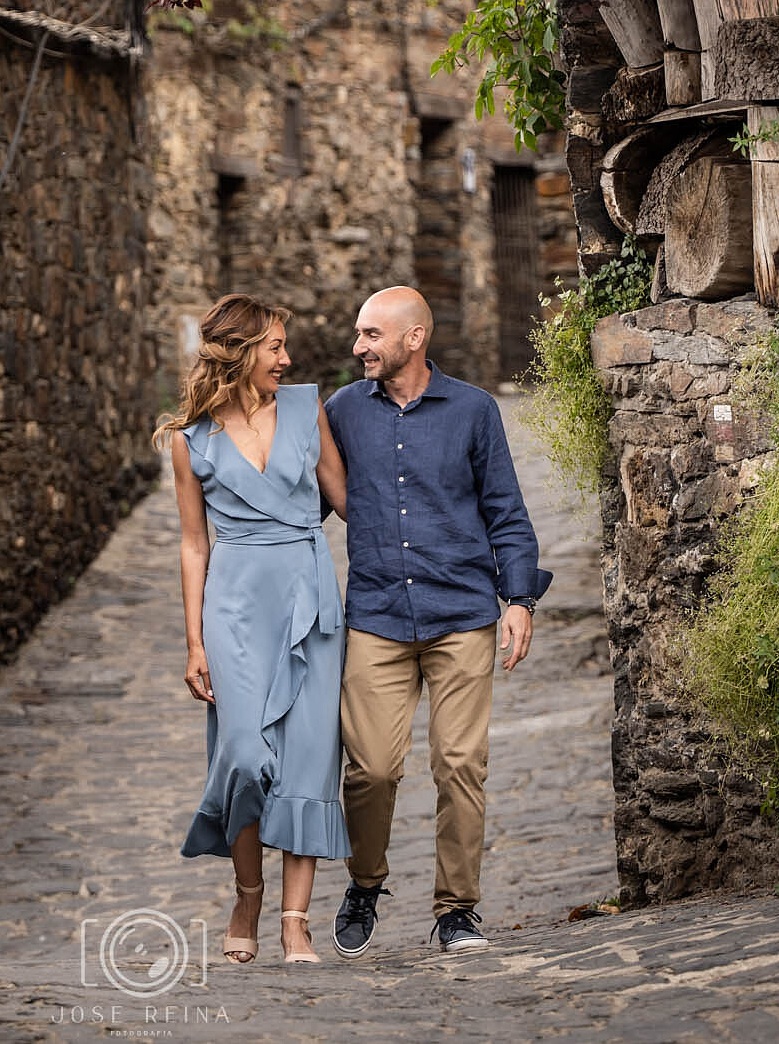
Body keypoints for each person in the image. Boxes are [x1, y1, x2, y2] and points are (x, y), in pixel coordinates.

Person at [322, 286, 552, 957]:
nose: (358, 346)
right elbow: (308, 502)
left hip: (461, 615)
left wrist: (519, 600)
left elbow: (506, 511)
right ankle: (365, 881)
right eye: (359, 333)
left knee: (459, 763)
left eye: (371, 334)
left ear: (413, 338)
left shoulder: (475, 411)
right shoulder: (339, 412)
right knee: (370, 769)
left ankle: (456, 911)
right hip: (377, 615)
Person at [163, 293, 350, 965]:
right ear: (239, 352)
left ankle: (294, 921)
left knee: (307, 760)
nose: (287, 358)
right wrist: (194, 642)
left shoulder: (307, 408)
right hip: (235, 609)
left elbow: (349, 499)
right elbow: (193, 544)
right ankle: (249, 892)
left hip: (308, 596)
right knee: (243, 756)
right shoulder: (194, 442)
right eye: (275, 346)